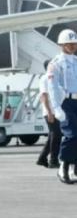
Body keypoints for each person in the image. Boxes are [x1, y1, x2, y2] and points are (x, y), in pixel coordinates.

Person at [46, 29, 77, 184]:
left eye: (74, 43)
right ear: (61, 45)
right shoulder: (55, 63)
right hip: (66, 102)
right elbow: (52, 86)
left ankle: (73, 168)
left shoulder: (76, 61)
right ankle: (63, 166)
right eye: (68, 43)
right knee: (72, 135)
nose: (72, 46)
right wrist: (56, 107)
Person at [37, 59, 61, 169]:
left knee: (53, 135)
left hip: (55, 111)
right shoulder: (45, 78)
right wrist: (49, 113)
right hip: (50, 112)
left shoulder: (54, 78)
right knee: (56, 135)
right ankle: (53, 160)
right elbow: (44, 96)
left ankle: (42, 158)